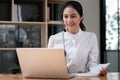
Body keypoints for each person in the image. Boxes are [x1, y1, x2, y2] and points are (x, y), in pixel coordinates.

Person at [48, 1, 108, 76]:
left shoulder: (91, 37)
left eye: (73, 16)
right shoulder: (54, 39)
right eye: (66, 16)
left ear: (81, 16)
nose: (69, 20)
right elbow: (50, 66)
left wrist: (98, 71)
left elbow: (92, 65)